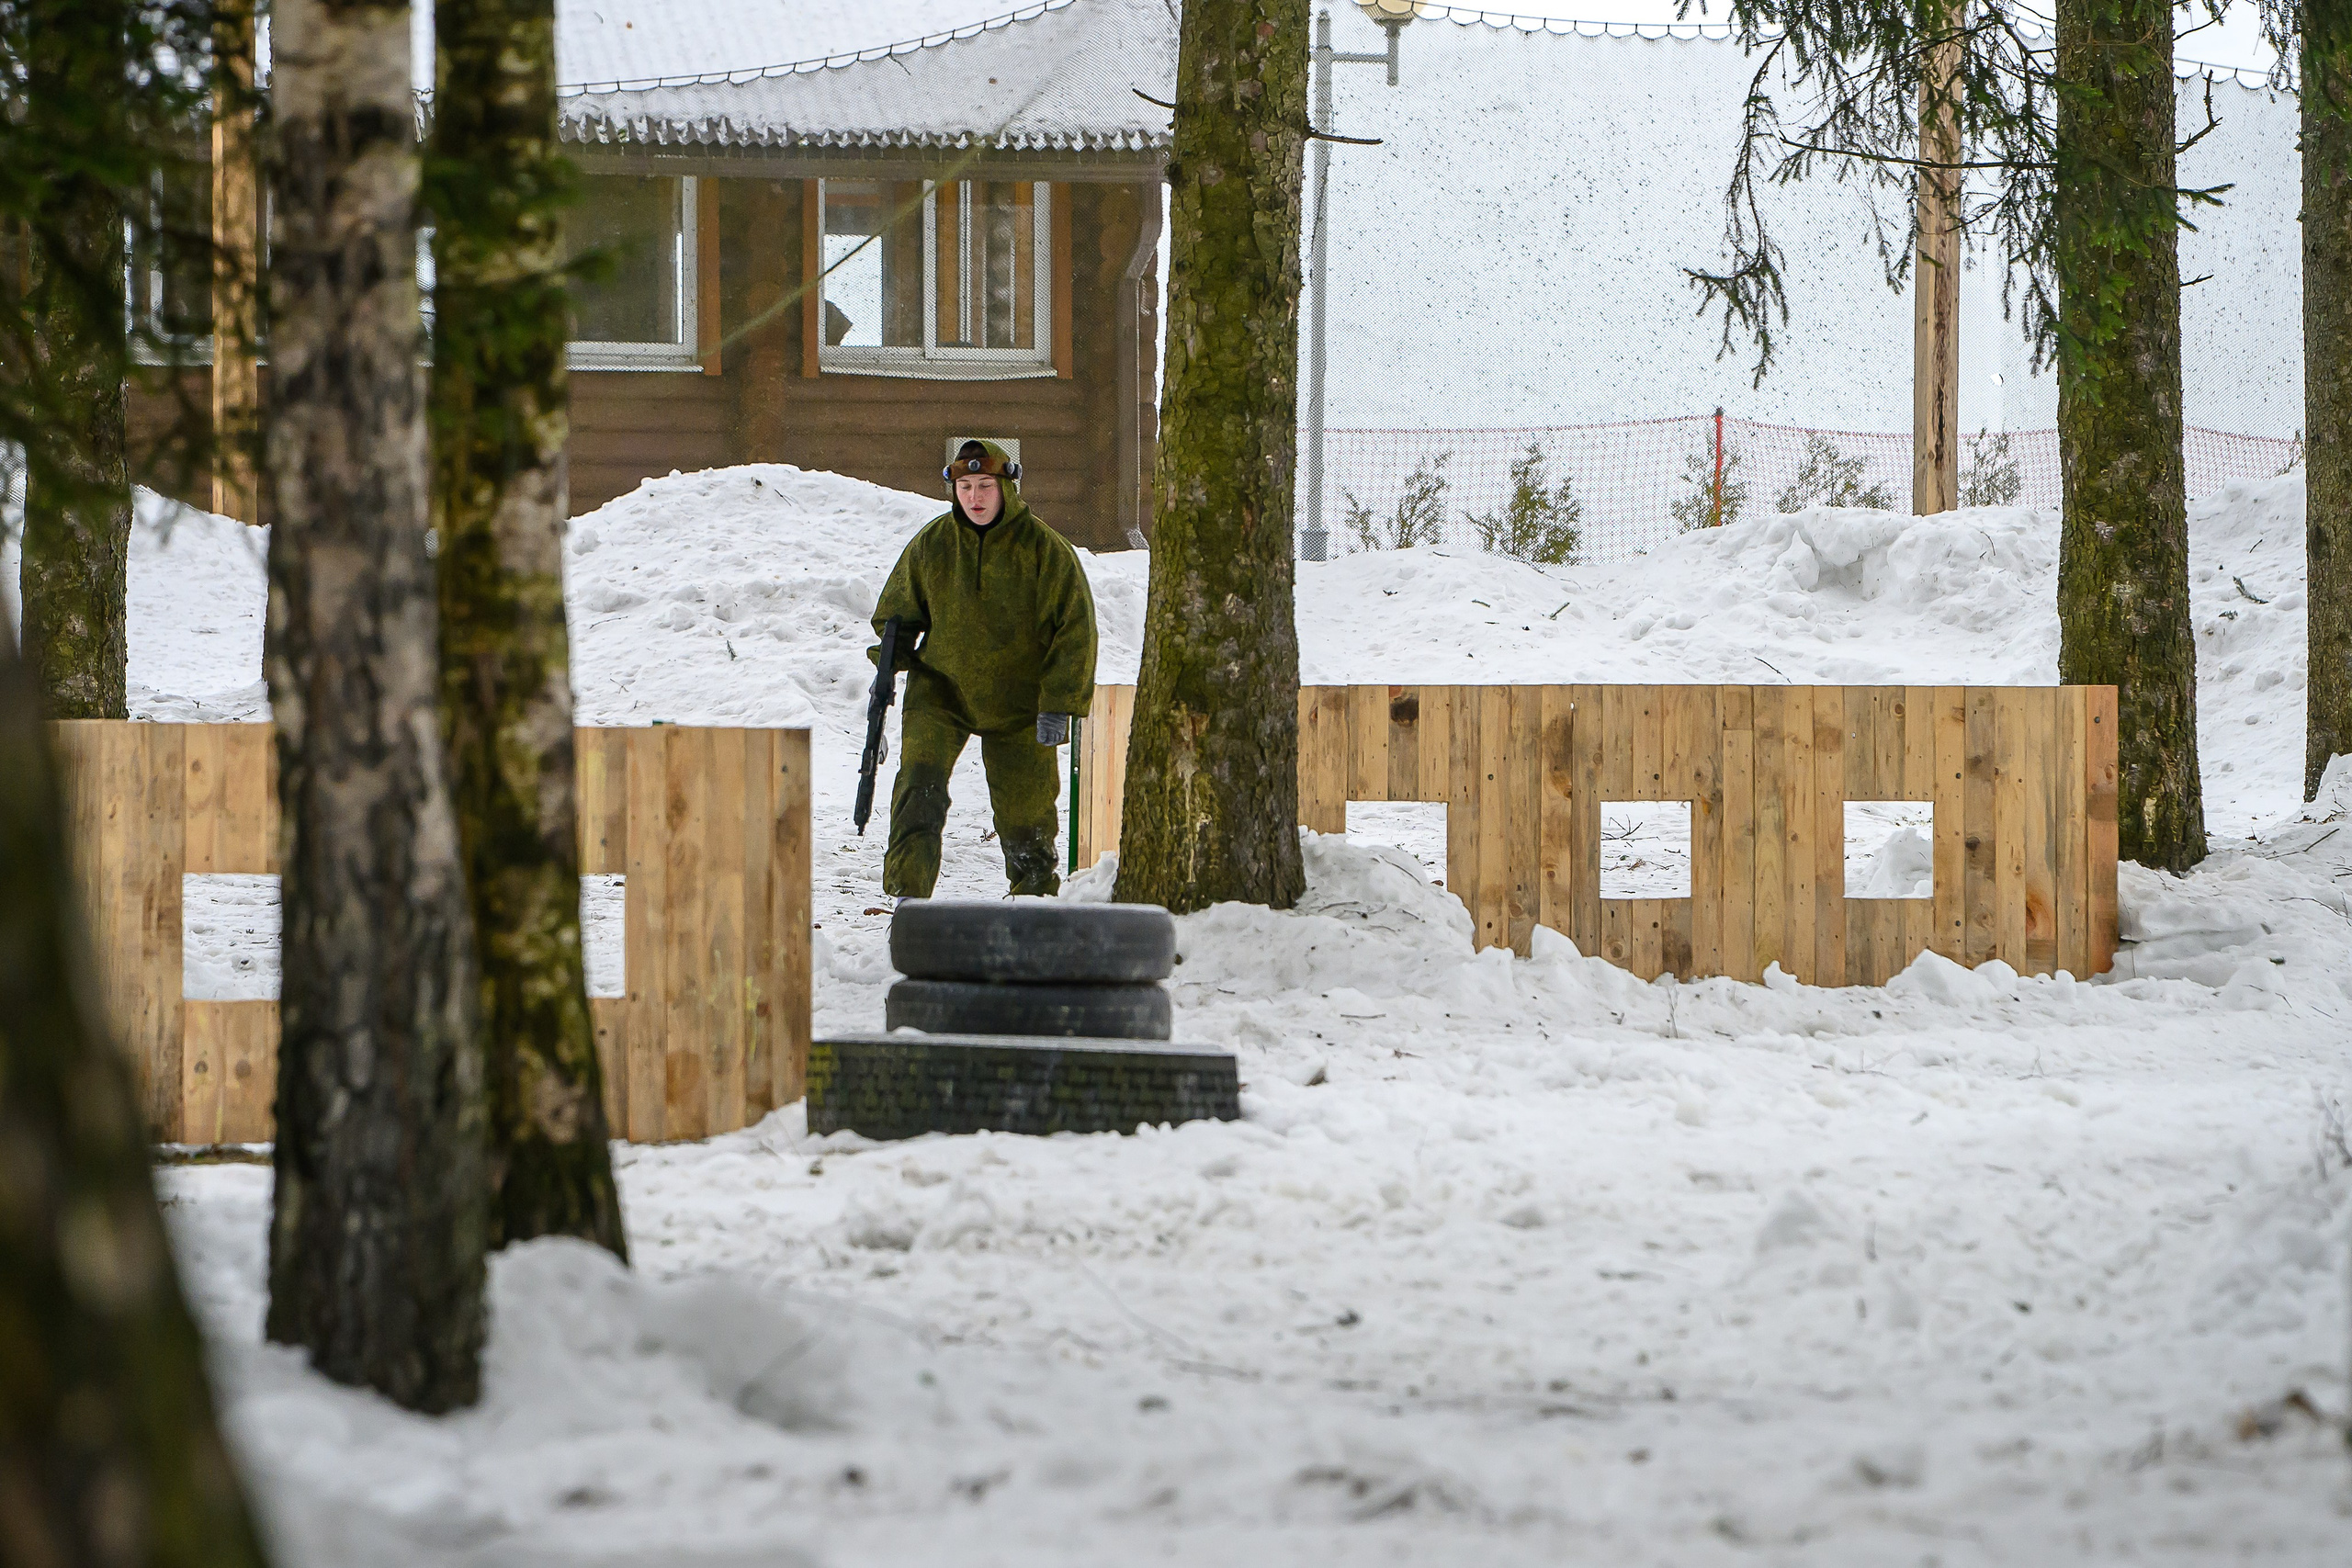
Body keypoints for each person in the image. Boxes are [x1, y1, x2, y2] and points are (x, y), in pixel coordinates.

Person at [870, 439, 1097, 899]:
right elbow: (896, 615)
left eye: (985, 486)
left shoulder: (1045, 551)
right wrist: (892, 662)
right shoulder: (934, 545)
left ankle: (1032, 903)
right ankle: (907, 900)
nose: (974, 497)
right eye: (966, 486)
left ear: (1007, 489)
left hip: (1021, 702)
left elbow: (1075, 633)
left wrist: (1059, 705)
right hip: (941, 693)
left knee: (1027, 815)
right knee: (919, 789)